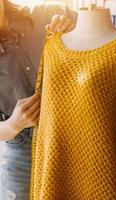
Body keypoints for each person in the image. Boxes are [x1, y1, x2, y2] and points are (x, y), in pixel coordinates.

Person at [0, 1, 76, 199]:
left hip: (75, 138)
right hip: (21, 152)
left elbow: (104, 38)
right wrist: (12, 125)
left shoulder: (48, 14)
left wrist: (76, 30)